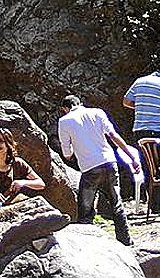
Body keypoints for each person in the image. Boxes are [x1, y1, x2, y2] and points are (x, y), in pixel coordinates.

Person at [58, 94, 139, 246]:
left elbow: (67, 154)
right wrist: (132, 158)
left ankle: (89, 244)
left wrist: (75, 149)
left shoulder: (64, 121)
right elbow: (113, 135)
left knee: (85, 209)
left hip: (89, 168)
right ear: (80, 103)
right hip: (109, 162)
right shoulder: (97, 112)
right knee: (116, 203)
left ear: (65, 109)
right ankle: (126, 241)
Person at [0, 129, 45, 209]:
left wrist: (22, 182)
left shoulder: (17, 163)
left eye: (1, 141)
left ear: (8, 143)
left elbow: (41, 184)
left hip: (10, 203)